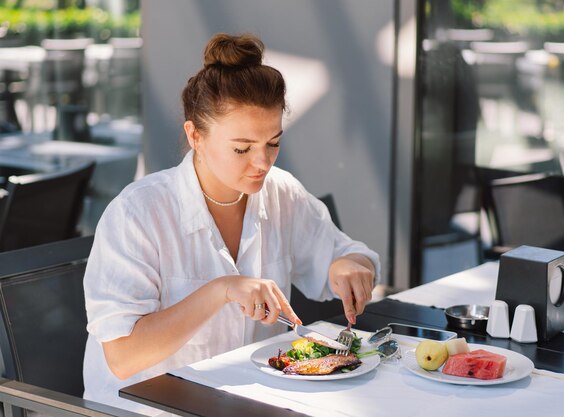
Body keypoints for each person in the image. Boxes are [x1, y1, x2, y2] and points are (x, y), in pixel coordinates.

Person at [83, 33, 380, 414]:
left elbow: (350, 255)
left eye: (273, 143)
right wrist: (220, 290)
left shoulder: (280, 192)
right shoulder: (137, 215)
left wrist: (351, 265)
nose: (263, 162)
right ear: (195, 136)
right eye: (242, 148)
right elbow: (123, 357)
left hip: (245, 403)